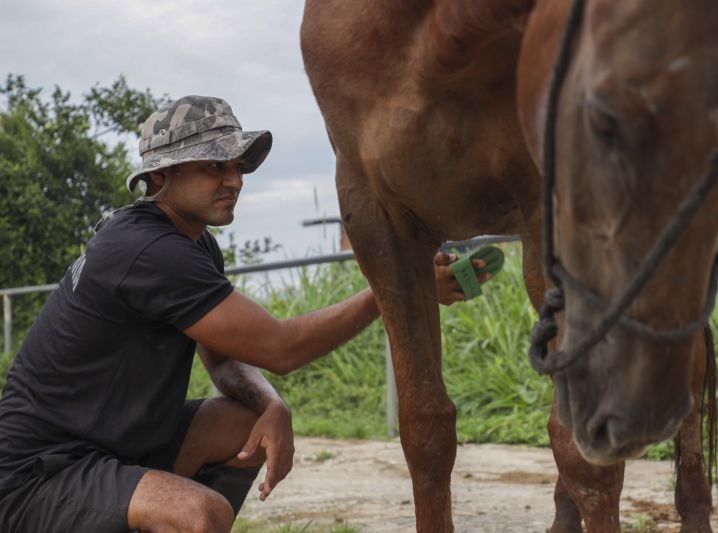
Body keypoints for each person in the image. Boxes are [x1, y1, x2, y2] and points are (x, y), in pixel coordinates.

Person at [0, 95, 489, 533]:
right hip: (40, 473)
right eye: (214, 166)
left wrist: (269, 404)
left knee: (244, 427)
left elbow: (223, 357)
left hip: (117, 448)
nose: (234, 180)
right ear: (159, 177)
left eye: (238, 166)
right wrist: (400, 289)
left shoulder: (194, 244)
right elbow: (281, 347)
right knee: (198, 514)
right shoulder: (149, 250)